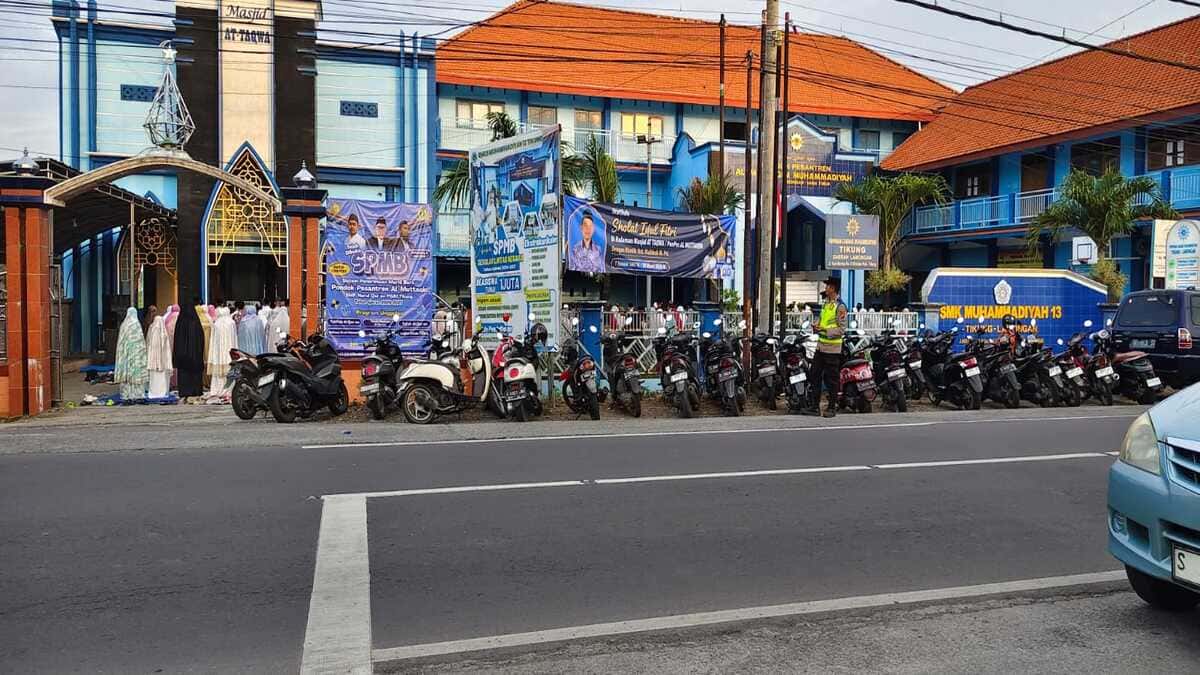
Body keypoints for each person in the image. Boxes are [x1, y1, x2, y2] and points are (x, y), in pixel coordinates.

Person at [804, 276, 848, 418]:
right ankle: (814, 407)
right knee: (814, 375)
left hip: (832, 349)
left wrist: (824, 330)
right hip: (820, 347)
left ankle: (831, 408)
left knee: (831, 379)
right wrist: (816, 326)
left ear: (833, 288)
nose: (826, 288)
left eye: (828, 286)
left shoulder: (840, 306)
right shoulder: (826, 304)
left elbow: (842, 329)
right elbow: (822, 321)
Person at [114, 307, 149, 401]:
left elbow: (121, 342)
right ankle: (137, 394)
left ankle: (126, 394)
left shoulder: (124, 325)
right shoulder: (136, 325)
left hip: (126, 355)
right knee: (136, 374)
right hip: (136, 355)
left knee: (127, 375)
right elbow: (141, 341)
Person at [173, 300, 206, 398]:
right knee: (195, 374)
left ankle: (185, 391)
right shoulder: (196, 323)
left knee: (184, 374)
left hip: (183, 358)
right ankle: (195, 390)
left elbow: (177, 340)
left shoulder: (180, 322)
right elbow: (201, 339)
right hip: (195, 357)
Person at [145, 314, 173, 398]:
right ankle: (162, 392)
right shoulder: (163, 331)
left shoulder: (152, 329)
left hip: (153, 360)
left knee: (154, 378)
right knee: (161, 378)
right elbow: (166, 347)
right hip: (162, 361)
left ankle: (154, 392)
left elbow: (149, 343)